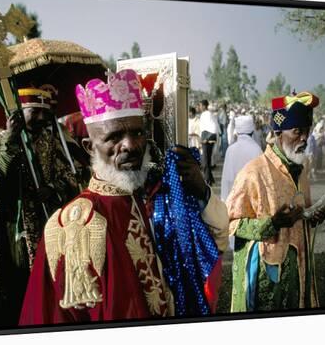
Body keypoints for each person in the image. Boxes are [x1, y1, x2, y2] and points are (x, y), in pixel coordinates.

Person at [19, 69, 229, 325]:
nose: (131, 145)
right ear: (89, 147)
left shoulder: (139, 198)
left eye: (137, 132)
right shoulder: (75, 224)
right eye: (114, 136)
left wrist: (200, 192)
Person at [0, 86, 82, 324]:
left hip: (47, 223)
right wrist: (11, 143)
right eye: (35, 112)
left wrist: (52, 189)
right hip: (14, 228)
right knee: (19, 283)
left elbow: (71, 177)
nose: (43, 118)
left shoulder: (51, 141)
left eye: (46, 112)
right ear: (17, 113)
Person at [226, 92, 325, 312]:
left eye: (307, 131)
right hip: (265, 279)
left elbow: (303, 212)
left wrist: (312, 216)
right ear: (279, 132)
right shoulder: (253, 172)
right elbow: (231, 222)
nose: (304, 138)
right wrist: (272, 223)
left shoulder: (300, 171)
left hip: (297, 274)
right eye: (297, 131)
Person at [220, 115, 262, 201]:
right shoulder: (257, 149)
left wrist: (224, 201)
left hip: (233, 199)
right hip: (252, 200)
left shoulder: (230, 150)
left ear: (237, 132)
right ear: (252, 131)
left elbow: (226, 179)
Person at [199, 99, 220, 185]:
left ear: (204, 106)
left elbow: (212, 127)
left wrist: (206, 139)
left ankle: (207, 180)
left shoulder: (206, 114)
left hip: (207, 139)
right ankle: (210, 178)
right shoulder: (208, 114)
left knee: (205, 161)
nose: (199, 107)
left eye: (200, 105)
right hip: (208, 138)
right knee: (207, 160)